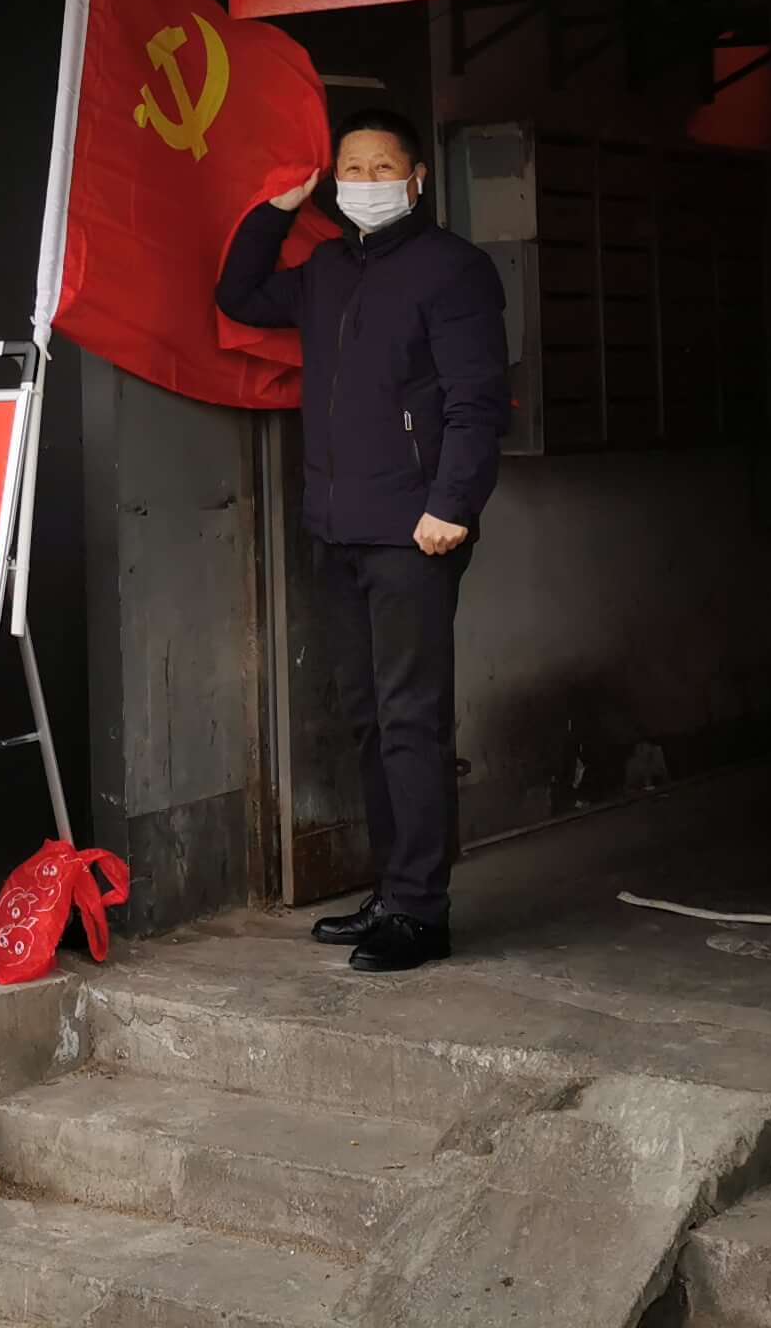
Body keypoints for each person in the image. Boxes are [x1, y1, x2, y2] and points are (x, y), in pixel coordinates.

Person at [215, 106, 511, 972]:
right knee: (369, 719)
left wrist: (452, 504)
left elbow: (477, 399)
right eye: (353, 169)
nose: (367, 183)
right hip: (339, 528)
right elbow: (238, 295)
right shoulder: (326, 268)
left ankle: (421, 912)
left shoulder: (453, 269)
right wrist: (277, 211)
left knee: (411, 718)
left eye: (384, 169)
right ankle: (392, 890)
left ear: (417, 180)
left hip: (418, 530)